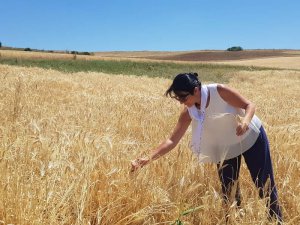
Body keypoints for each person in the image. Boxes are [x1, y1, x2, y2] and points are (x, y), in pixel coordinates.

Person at [131, 72, 282, 222]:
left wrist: (245, 122)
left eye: (183, 97)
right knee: (229, 192)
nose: (181, 102)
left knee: (264, 183)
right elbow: (172, 140)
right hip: (224, 147)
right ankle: (236, 220)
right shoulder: (189, 112)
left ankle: (277, 221)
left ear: (196, 90)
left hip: (251, 138)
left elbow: (249, 105)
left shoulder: (219, 91)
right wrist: (148, 159)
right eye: (178, 98)